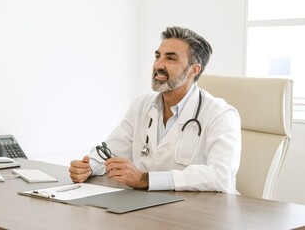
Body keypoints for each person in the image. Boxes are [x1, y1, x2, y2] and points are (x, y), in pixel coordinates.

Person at [69, 26, 241, 193]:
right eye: (158, 56)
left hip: (204, 214)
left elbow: (221, 176)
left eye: (170, 58)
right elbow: (112, 151)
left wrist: (146, 179)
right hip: (151, 207)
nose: (158, 65)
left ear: (194, 70)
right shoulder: (142, 106)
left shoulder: (220, 114)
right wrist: (89, 166)